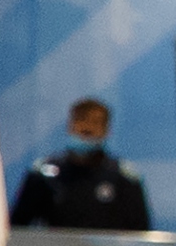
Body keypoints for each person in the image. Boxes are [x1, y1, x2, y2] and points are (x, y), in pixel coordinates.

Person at [12, 96, 153, 231]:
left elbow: (140, 235)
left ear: (107, 130)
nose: (87, 128)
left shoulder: (124, 178)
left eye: (95, 122)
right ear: (70, 126)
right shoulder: (44, 175)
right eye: (82, 120)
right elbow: (18, 228)